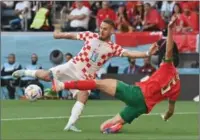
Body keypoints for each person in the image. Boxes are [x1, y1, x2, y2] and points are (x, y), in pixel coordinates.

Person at [12, 19, 156, 132]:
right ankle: (23, 72)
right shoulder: (90, 36)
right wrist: (58, 34)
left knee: (83, 96)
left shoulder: (113, 48)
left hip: (86, 76)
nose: (102, 30)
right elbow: (71, 35)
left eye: (105, 29)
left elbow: (129, 53)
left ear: (112, 31)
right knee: (46, 75)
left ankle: (70, 124)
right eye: (101, 27)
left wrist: (147, 53)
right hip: (73, 66)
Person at [52, 16, 180, 133]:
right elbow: (170, 111)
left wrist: (169, 29)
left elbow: (168, 50)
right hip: (142, 108)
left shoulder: (168, 66)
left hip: (136, 94)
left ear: (168, 58)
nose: (162, 59)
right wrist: (165, 116)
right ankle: (114, 127)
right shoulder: (177, 86)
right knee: (103, 128)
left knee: (96, 83)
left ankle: (63, 85)